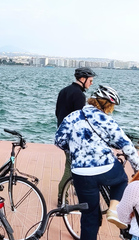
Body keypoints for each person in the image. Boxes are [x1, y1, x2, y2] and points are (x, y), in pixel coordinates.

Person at [55, 85, 139, 240]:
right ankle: (113, 208)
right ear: (108, 106)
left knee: (90, 216)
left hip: (82, 173)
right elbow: (126, 145)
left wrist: (75, 150)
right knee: (121, 180)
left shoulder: (72, 117)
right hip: (106, 167)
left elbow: (59, 140)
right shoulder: (106, 119)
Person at [55, 67, 96, 206]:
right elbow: (80, 120)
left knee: (74, 164)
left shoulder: (64, 91)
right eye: (90, 80)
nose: (91, 83)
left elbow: (57, 112)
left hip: (62, 133)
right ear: (82, 79)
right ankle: (62, 198)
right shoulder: (79, 95)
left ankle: (75, 188)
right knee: (70, 166)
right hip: (72, 137)